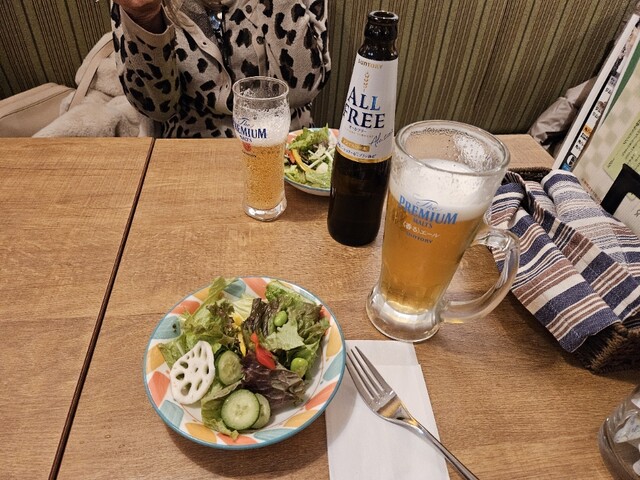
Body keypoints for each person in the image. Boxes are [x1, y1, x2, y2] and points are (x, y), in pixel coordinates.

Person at [110, 0, 331, 137]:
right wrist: (146, 17)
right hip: (189, 145)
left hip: (280, 139)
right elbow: (157, 107)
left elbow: (300, 92)